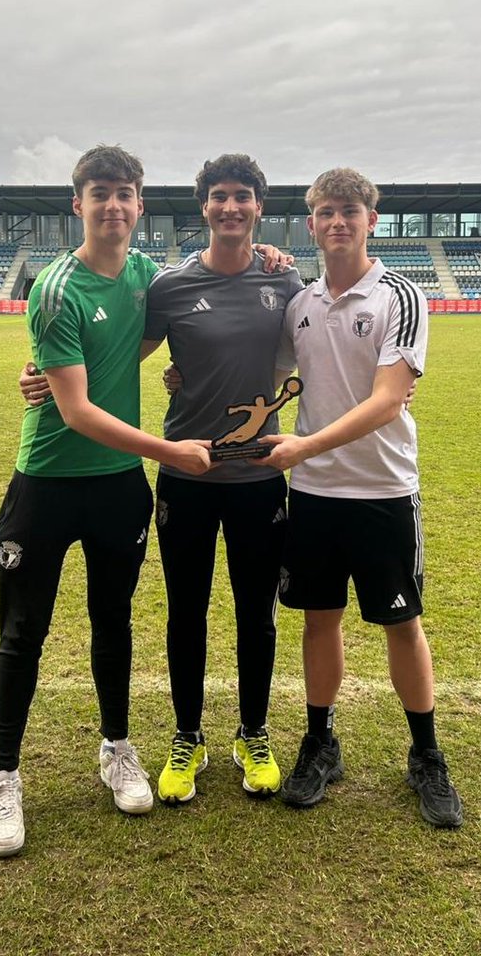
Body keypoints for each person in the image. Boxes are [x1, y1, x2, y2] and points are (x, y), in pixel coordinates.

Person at [0, 144, 210, 858]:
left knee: (112, 621)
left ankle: (116, 748)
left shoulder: (149, 276)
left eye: (126, 193)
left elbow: (194, 292)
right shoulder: (55, 288)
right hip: (46, 483)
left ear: (140, 206)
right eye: (100, 192)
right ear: (76, 204)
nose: (114, 204)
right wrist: (168, 450)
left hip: (116, 490)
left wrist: (265, 255)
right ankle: (4, 775)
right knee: (24, 633)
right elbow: (77, 412)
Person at [258, 167, 463, 828]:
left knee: (401, 623)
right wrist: (184, 374)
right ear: (310, 223)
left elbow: (384, 402)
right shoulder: (300, 303)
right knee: (319, 619)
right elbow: (269, 375)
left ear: (370, 219)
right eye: (324, 211)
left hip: (381, 489)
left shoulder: (399, 296)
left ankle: (425, 755)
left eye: (349, 210)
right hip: (315, 497)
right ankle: (321, 742)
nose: (337, 222)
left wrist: (303, 447)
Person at [142, 154, 304, 804]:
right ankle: (188, 737)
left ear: (258, 208)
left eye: (242, 197)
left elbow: (319, 350)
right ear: (203, 207)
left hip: (258, 477)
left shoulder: (284, 279)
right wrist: (38, 373)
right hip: (184, 475)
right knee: (185, 612)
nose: (230, 207)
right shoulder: (169, 287)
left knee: (254, 615)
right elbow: (122, 354)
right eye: (219, 197)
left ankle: (252, 733)